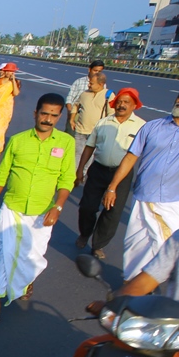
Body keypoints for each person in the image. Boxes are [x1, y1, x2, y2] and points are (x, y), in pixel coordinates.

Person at [0, 94, 75, 325]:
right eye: (44, 113)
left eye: (54, 115)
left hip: (43, 211)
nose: (48, 119)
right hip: (12, 207)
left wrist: (58, 207)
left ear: (59, 116)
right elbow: (2, 175)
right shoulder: (18, 140)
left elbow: (66, 179)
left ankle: (25, 279)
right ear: (35, 113)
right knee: (5, 254)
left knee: (33, 255)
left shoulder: (66, 143)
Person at [107, 93, 179, 281]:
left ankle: (148, 282)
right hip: (144, 194)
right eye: (177, 101)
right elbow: (131, 157)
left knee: (166, 242)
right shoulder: (151, 127)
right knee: (137, 243)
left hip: (172, 200)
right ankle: (132, 280)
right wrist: (112, 187)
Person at [75, 88, 146, 259]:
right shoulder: (103, 122)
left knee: (112, 212)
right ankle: (85, 233)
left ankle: (98, 245)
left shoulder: (142, 127)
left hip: (122, 175)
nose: (122, 105)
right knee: (87, 207)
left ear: (134, 105)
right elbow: (90, 147)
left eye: (126, 102)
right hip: (98, 170)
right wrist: (80, 170)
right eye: (119, 102)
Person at [68, 72, 110, 169]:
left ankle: (83, 174)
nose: (89, 85)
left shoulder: (108, 95)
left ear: (100, 84)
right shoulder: (84, 94)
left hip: (96, 132)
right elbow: (75, 105)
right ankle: (74, 177)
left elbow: (111, 114)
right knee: (77, 154)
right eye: (89, 83)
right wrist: (72, 119)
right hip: (81, 130)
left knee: (90, 156)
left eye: (91, 83)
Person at [65, 60, 105, 131]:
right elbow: (69, 98)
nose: (97, 73)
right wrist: (70, 114)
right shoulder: (79, 82)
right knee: (70, 138)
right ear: (89, 69)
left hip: (92, 120)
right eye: (95, 71)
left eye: (100, 71)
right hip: (76, 115)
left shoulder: (102, 85)